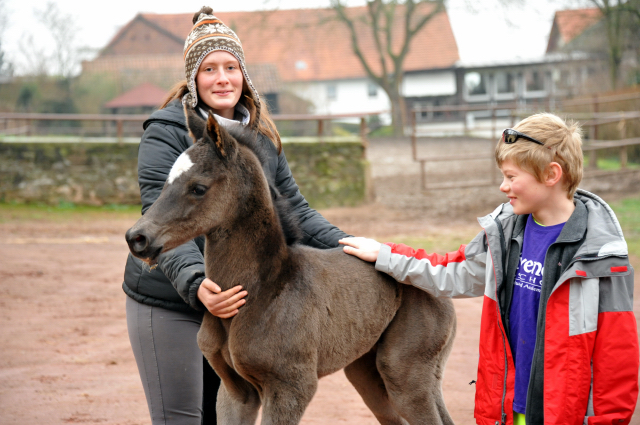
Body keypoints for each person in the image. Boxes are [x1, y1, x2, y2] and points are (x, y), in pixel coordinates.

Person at [122, 7, 349, 425]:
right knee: (184, 418)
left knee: (228, 415)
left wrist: (350, 245)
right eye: (209, 69)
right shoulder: (168, 131)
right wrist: (195, 283)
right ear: (193, 78)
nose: (222, 78)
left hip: (241, 304)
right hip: (170, 299)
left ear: (244, 73)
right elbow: (157, 211)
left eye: (231, 66)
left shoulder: (257, 136)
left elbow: (294, 208)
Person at [340, 113, 638, 425]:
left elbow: (617, 357)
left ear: (551, 174)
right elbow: (449, 270)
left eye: (511, 177)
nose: (502, 186)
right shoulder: (503, 235)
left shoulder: (600, 257)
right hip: (508, 409)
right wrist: (385, 255)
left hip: (565, 414)